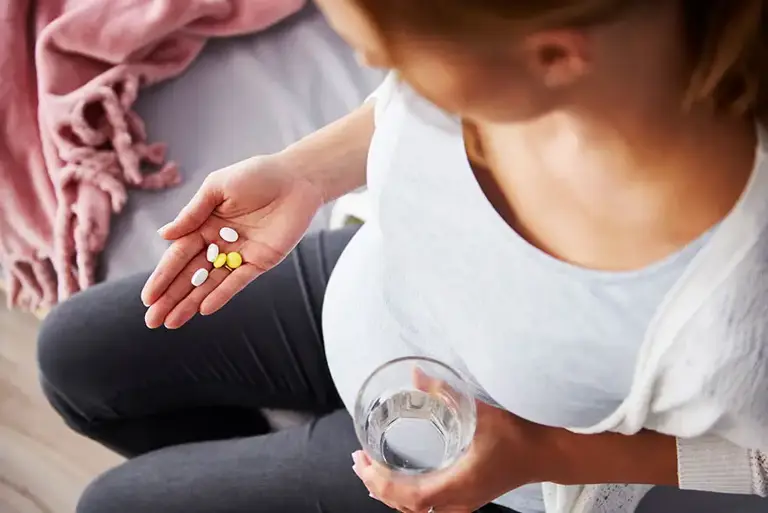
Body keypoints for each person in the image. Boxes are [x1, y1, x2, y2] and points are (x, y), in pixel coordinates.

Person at [37, 1, 768, 512]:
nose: (366, 63)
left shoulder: (732, 310)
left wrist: (544, 454)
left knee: (114, 503)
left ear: (552, 58)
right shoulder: (543, 44)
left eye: (386, 54)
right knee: (72, 356)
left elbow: (759, 462)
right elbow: (408, 100)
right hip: (370, 283)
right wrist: (307, 172)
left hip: (475, 466)